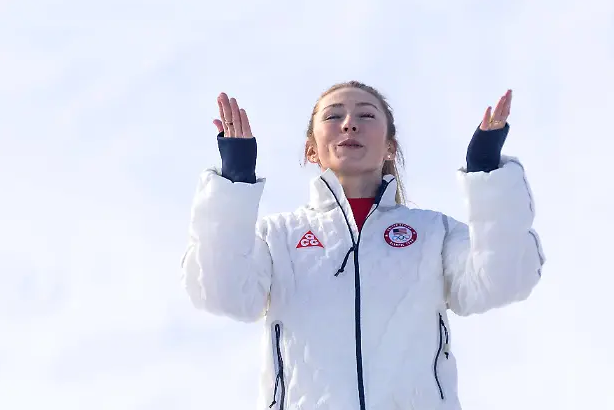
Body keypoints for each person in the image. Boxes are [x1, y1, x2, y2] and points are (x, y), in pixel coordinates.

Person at [181, 81, 545, 410]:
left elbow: (501, 280)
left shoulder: (433, 233)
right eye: (334, 115)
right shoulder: (278, 237)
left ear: (390, 147)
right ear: (311, 150)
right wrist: (233, 182)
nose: (349, 124)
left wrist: (487, 175)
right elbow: (222, 292)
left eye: (366, 115)